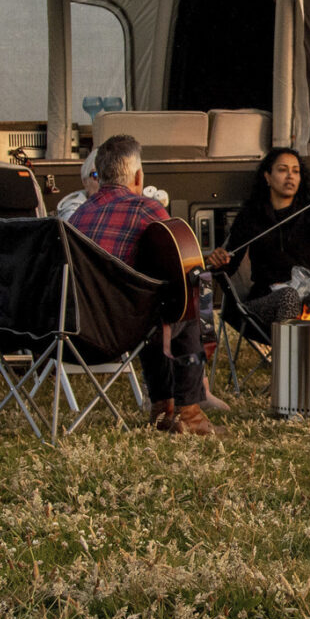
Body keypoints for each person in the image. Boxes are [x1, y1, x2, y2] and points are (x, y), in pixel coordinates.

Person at [69, 134, 220, 436]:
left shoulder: (78, 215)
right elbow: (183, 264)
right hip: (118, 334)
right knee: (190, 294)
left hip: (75, 331)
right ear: (138, 176)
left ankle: (162, 408)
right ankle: (189, 411)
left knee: (153, 309)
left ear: (99, 175)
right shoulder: (144, 208)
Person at [208, 148, 310, 322]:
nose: (290, 176)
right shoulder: (251, 215)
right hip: (265, 300)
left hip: (306, 296)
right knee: (288, 296)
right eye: (283, 170)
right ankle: (289, 340)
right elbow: (230, 264)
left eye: (295, 171)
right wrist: (219, 261)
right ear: (267, 177)